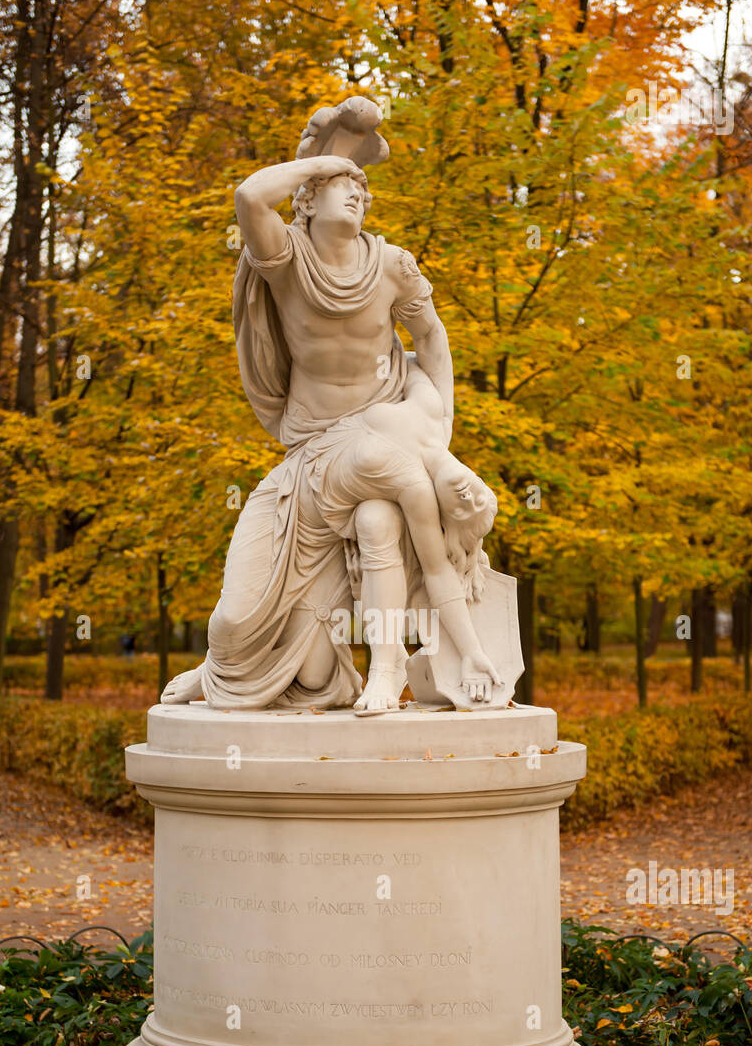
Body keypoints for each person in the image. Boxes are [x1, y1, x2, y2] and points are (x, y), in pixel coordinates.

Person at [162, 143, 500, 712]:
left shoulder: (392, 265)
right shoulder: (288, 257)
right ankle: (221, 665)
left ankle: (386, 671)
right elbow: (249, 197)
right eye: (344, 187)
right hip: (310, 451)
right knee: (231, 622)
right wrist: (328, 160)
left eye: (363, 192)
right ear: (308, 200)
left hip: (374, 437)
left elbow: (432, 338)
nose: (358, 195)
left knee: (374, 527)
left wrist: (437, 421)